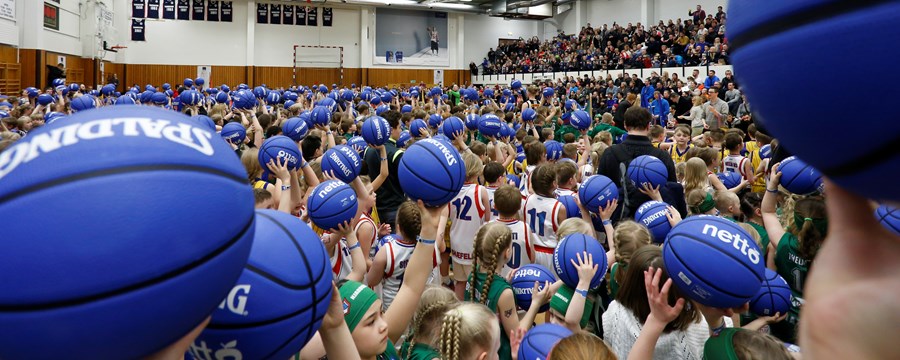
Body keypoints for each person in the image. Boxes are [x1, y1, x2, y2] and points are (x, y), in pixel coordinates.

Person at [603, 246, 731, 360]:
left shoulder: (614, 312)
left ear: (630, 281)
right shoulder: (703, 324)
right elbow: (723, 352)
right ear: (679, 287)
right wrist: (716, 323)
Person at [464, 222, 553, 360]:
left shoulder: (473, 276)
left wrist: (504, 282)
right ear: (507, 253)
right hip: (499, 354)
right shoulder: (504, 293)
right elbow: (517, 333)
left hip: (477, 349)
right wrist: (535, 304)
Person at [762, 163, 827, 343]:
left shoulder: (783, 244)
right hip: (817, 320)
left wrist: (772, 185)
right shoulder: (834, 255)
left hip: (785, 312)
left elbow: (767, 212)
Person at [597, 107, 679, 222]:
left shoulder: (610, 153)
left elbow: (601, 188)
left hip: (619, 220)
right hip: (654, 219)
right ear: (648, 126)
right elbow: (671, 192)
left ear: (625, 125)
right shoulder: (662, 156)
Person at [364, 110, 405, 226]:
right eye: (399, 127)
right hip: (394, 207)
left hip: (374, 207)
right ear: (391, 130)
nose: (401, 131)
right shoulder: (397, 153)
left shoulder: (368, 150)